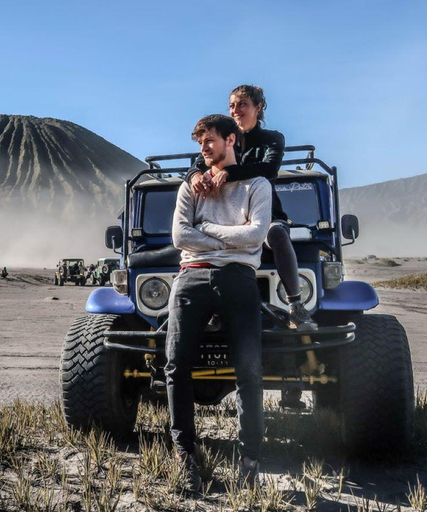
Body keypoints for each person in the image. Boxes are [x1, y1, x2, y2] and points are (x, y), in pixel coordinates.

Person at [167, 114, 271, 491]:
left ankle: (249, 462)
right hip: (191, 276)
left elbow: (257, 234)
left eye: (209, 140)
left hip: (238, 278)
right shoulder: (190, 187)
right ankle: (185, 457)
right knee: (176, 366)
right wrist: (231, 238)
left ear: (231, 140)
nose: (203, 148)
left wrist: (206, 229)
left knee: (249, 370)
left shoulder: (257, 185)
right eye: (199, 143)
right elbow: (180, 235)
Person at [186, 85, 316, 332]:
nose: (236, 110)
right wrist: (193, 175)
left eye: (242, 104)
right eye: (232, 105)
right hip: (224, 215)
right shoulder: (222, 137)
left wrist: (228, 172)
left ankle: (296, 306)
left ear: (258, 107)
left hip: (265, 212)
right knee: (200, 240)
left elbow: (269, 170)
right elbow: (197, 165)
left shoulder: (271, 139)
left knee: (277, 233)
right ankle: (212, 307)